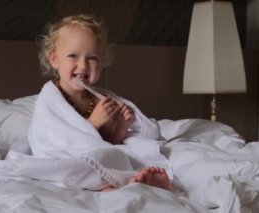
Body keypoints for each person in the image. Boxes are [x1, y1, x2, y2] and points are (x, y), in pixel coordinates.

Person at [34, 14, 171, 192]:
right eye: (73, 56)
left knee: (126, 154)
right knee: (78, 169)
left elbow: (105, 145)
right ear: (55, 60)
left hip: (95, 155)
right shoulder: (50, 101)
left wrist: (120, 128)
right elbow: (60, 142)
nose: (83, 65)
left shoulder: (99, 98)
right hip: (67, 156)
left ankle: (130, 184)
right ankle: (120, 187)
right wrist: (93, 123)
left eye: (92, 58)